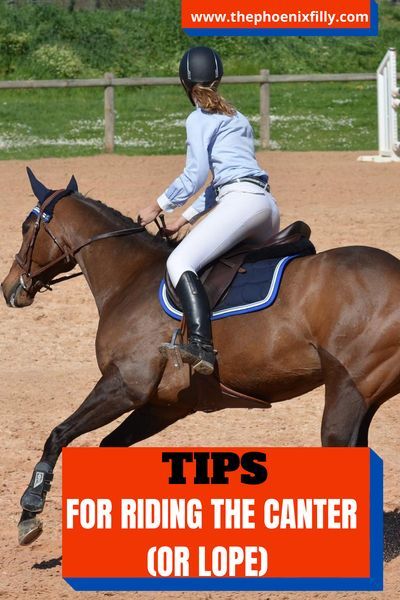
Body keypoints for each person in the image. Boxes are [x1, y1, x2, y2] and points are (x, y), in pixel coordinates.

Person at [138, 46, 280, 376]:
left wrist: (157, 206)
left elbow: (196, 176)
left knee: (179, 261)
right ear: (218, 80)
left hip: (242, 203)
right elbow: (220, 184)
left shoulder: (199, 117)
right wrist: (183, 220)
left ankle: (201, 344)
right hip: (265, 208)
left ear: (185, 84)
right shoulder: (237, 116)